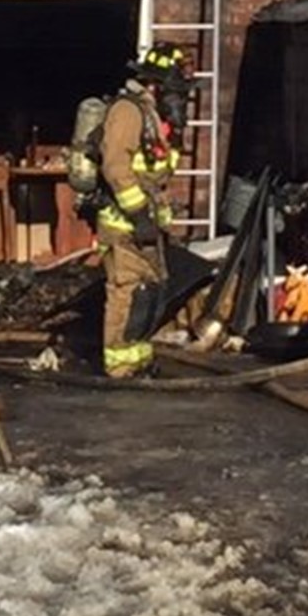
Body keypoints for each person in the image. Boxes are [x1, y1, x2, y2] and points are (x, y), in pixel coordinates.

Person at [92, 43, 193, 378]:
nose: (179, 99)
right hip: (123, 223)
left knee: (148, 292)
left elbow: (160, 172)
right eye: (175, 91)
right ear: (155, 86)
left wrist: (175, 136)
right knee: (126, 291)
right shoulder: (128, 111)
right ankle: (119, 367)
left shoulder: (156, 117)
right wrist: (138, 216)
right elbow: (116, 167)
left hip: (147, 224)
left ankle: (138, 358)